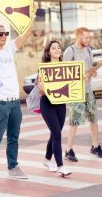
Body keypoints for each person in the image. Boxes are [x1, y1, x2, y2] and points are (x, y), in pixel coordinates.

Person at [0, 3, 33, 185]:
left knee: (13, 137)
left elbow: (26, 34)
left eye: (5, 34)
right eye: (0, 34)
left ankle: (13, 167)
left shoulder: (10, 48)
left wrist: (31, 15)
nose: (4, 36)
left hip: (14, 102)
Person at [63, 27, 102, 162]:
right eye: (87, 37)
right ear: (79, 37)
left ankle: (95, 146)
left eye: (90, 37)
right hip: (75, 92)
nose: (89, 40)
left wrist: (93, 72)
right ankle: (68, 150)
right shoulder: (70, 51)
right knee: (75, 121)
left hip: (88, 89)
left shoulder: (89, 50)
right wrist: (78, 77)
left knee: (93, 119)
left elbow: (89, 67)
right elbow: (64, 73)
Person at [38, 40, 71, 176]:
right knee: (57, 134)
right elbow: (41, 90)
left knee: (54, 133)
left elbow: (73, 83)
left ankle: (47, 159)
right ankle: (61, 166)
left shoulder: (66, 67)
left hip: (61, 105)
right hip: (47, 104)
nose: (57, 49)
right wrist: (51, 90)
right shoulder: (43, 68)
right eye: (53, 48)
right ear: (48, 52)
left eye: (59, 47)